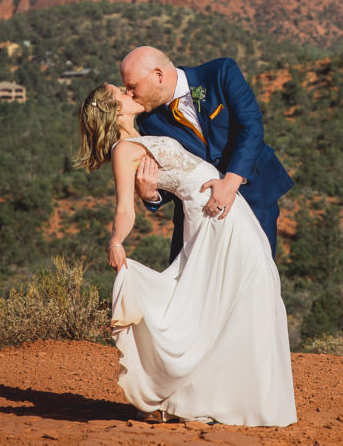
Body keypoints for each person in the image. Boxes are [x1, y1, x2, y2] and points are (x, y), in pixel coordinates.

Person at [74, 83, 297, 427]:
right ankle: (213, 396)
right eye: (121, 92)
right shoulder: (123, 151)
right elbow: (125, 208)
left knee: (258, 284)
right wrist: (116, 241)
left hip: (227, 210)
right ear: (114, 110)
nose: (129, 92)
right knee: (247, 288)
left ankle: (247, 396)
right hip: (210, 219)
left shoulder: (146, 129)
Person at [119, 47, 293, 262]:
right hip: (199, 216)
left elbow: (251, 126)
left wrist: (231, 182)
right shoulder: (148, 122)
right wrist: (152, 196)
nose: (128, 94)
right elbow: (174, 177)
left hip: (254, 196)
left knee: (253, 280)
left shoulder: (221, 72)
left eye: (132, 86)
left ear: (158, 74)